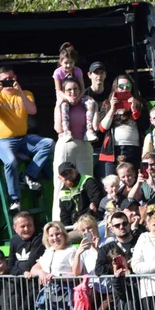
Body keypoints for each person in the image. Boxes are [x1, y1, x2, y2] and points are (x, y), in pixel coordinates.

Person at [0, 67, 54, 212]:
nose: (8, 82)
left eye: (10, 78)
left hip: (23, 138)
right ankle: (15, 199)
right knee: (10, 161)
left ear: (15, 77)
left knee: (49, 143)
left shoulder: (26, 94)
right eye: (4, 80)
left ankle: (28, 174)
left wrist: (19, 91)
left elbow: (32, 110)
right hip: (2, 140)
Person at [51, 78, 95, 222]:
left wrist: (94, 107)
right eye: (69, 89)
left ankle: (87, 219)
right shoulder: (62, 105)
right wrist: (58, 106)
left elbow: (95, 126)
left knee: (86, 181)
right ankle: (59, 222)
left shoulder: (86, 104)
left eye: (75, 89)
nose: (73, 92)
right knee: (61, 183)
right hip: (66, 144)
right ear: (64, 92)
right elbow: (58, 128)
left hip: (83, 145)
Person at [97, 74, 144, 176]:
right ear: (115, 88)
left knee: (132, 181)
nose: (124, 89)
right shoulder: (107, 104)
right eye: (121, 87)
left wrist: (134, 109)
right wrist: (112, 110)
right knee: (112, 182)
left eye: (128, 86)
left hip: (134, 149)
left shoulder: (139, 103)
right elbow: (102, 128)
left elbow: (144, 125)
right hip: (113, 150)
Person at [29, 222, 77, 310]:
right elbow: (34, 269)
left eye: (58, 234)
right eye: (51, 235)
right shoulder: (48, 251)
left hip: (65, 294)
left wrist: (57, 277)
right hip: (48, 294)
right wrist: (42, 273)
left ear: (64, 234)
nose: (55, 238)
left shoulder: (72, 251)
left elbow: (76, 274)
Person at [56, 161, 105, 227]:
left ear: (76, 171)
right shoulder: (62, 192)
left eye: (70, 172)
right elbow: (64, 215)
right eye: (64, 174)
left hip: (93, 223)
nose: (68, 176)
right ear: (60, 178)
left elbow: (96, 202)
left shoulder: (88, 181)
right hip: (74, 227)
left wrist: (81, 222)